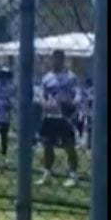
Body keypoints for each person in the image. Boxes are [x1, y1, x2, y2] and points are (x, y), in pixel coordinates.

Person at [38, 49, 82, 187]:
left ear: (63, 60)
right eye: (53, 59)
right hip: (50, 116)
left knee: (69, 145)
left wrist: (72, 104)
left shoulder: (70, 77)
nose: (55, 62)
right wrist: (44, 103)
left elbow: (78, 94)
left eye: (58, 59)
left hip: (64, 116)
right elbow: (41, 95)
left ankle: (73, 175)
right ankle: (47, 173)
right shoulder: (47, 78)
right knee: (47, 145)